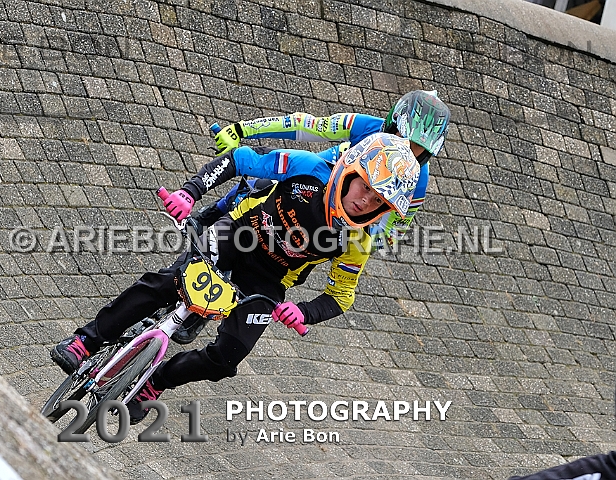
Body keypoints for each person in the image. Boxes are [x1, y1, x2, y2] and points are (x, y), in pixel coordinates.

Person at [51, 131, 421, 424]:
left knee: (228, 357)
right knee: (170, 283)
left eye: (378, 201)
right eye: (365, 187)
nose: (366, 202)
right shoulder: (308, 169)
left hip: (269, 280)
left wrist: (304, 312)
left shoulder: (358, 240)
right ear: (350, 171)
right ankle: (86, 340)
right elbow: (241, 159)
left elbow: (341, 296)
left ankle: (155, 383)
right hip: (238, 235)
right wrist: (190, 192)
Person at [172, 90, 451, 344]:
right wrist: (241, 129)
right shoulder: (366, 125)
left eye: (418, 151)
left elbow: (392, 231)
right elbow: (305, 126)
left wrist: (354, 236)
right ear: (390, 124)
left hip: (342, 217)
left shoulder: (418, 181)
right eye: (403, 140)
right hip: (319, 182)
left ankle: (212, 300)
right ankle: (208, 218)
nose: (406, 153)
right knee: (258, 182)